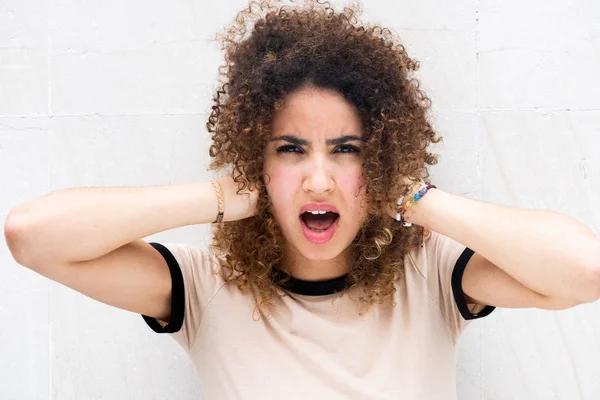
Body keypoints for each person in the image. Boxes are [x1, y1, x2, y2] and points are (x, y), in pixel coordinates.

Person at [5, 1, 600, 399]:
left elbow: (583, 271)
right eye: (290, 149)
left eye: (346, 149)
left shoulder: (433, 275)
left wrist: (411, 196)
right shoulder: (207, 286)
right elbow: (32, 236)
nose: (319, 179)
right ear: (255, 163)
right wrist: (217, 196)